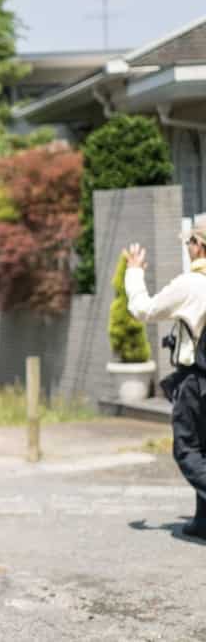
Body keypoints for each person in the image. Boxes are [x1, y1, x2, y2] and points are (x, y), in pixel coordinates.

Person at [124, 224, 206, 539]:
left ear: (199, 245)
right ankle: (203, 522)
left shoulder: (190, 284)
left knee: (187, 449)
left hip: (196, 381)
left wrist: (134, 273)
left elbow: (142, 309)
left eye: (189, 242)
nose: (187, 248)